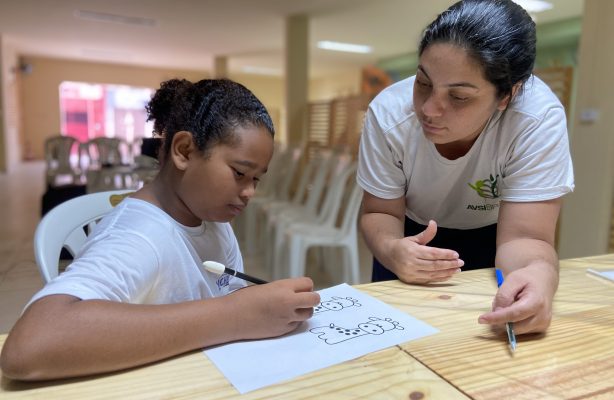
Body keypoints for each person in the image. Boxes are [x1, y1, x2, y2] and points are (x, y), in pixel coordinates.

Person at [1, 79, 320, 381]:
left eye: (256, 179)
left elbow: (224, 293)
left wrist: (258, 305)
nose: (250, 191)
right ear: (183, 151)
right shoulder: (139, 237)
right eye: (239, 173)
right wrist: (234, 315)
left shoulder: (210, 217)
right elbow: (28, 347)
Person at [357, 0, 573, 335]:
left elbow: (525, 237)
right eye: (423, 82)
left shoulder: (536, 119)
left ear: (507, 96)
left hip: (497, 236)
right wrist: (392, 249)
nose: (429, 109)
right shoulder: (388, 115)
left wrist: (539, 275)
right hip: (410, 237)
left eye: (458, 97)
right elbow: (379, 212)